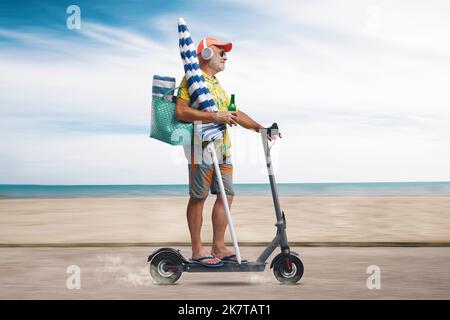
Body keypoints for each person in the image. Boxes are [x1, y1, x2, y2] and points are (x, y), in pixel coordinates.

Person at [175, 37, 266, 266]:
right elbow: (181, 112)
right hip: (201, 148)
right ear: (205, 54)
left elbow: (234, 113)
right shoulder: (191, 80)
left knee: (227, 196)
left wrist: (261, 129)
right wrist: (214, 116)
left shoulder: (216, 85)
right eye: (220, 51)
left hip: (222, 149)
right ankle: (197, 250)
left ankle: (218, 247)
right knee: (199, 197)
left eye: (226, 52)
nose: (226, 56)